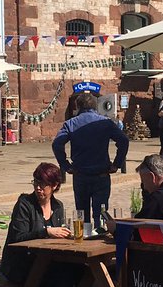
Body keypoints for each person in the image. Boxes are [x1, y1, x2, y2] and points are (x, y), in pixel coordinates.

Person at [0, 162, 88, 287]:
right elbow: (19, 237)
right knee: (64, 274)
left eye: (43, 185)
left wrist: (65, 235)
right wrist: (47, 231)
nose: (39, 189)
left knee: (82, 269)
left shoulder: (57, 206)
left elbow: (55, 237)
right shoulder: (25, 203)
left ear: (55, 186)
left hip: (43, 262)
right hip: (21, 265)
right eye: (36, 183)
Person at [53, 91, 129, 224]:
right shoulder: (105, 122)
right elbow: (123, 141)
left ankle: (85, 236)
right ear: (95, 106)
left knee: (82, 214)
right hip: (101, 174)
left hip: (81, 174)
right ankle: (100, 234)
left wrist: (65, 165)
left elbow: (57, 144)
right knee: (101, 213)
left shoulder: (71, 124)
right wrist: (117, 163)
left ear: (77, 106)